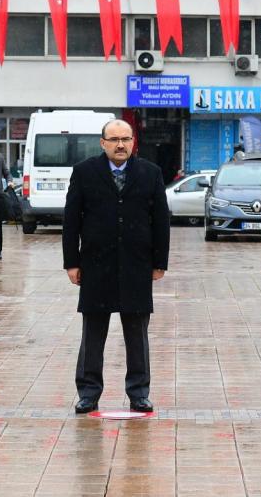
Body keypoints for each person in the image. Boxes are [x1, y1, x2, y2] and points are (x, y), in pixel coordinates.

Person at [62, 119, 170, 414]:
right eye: (114, 139)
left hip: (137, 265)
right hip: (96, 264)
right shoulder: (84, 172)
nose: (120, 144)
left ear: (134, 142)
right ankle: (88, 392)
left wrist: (160, 262)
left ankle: (139, 393)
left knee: (137, 334)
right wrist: (71, 262)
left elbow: (161, 220)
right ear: (103, 143)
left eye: (126, 139)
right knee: (93, 333)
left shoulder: (150, 173)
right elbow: (72, 220)